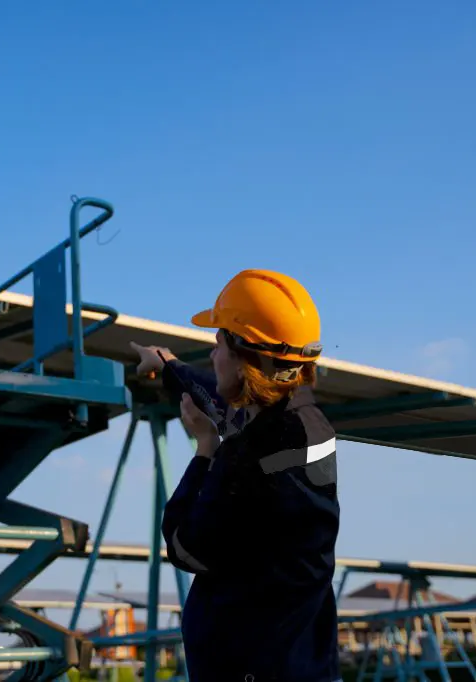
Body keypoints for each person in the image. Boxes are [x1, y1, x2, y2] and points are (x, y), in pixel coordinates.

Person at [130, 269, 340, 682]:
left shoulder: (247, 457)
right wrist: (170, 365)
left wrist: (205, 449)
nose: (212, 356)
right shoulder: (309, 425)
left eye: (219, 343)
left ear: (245, 361)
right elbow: (231, 406)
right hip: (303, 665)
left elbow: (185, 548)